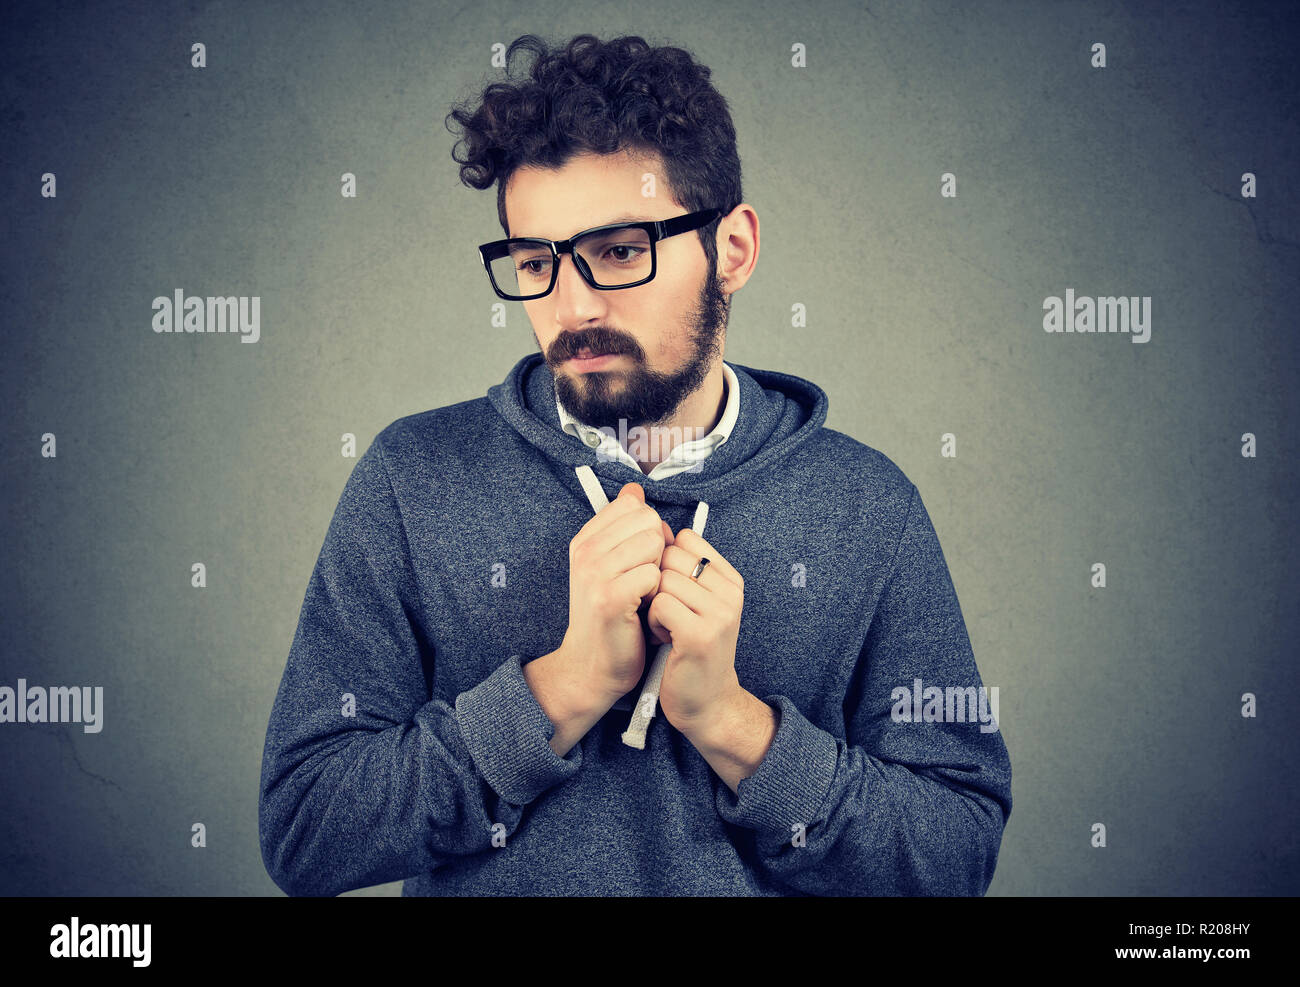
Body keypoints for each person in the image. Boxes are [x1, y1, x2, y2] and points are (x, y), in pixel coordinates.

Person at [258, 32, 1012, 897]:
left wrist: (734, 726)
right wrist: (560, 690)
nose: (572, 306)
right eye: (536, 262)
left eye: (619, 250)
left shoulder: (868, 506)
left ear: (733, 249)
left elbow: (956, 851)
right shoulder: (412, 478)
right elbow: (306, 828)